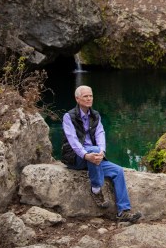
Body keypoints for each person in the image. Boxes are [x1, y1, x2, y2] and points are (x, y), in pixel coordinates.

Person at [61, 85, 142, 223]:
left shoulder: (95, 115)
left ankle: (123, 212)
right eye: (85, 96)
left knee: (118, 171)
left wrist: (101, 151)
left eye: (91, 96)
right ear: (77, 99)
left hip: (93, 159)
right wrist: (87, 155)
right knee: (92, 149)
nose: (89, 98)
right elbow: (73, 141)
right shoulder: (69, 117)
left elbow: (100, 134)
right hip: (76, 158)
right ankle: (96, 190)